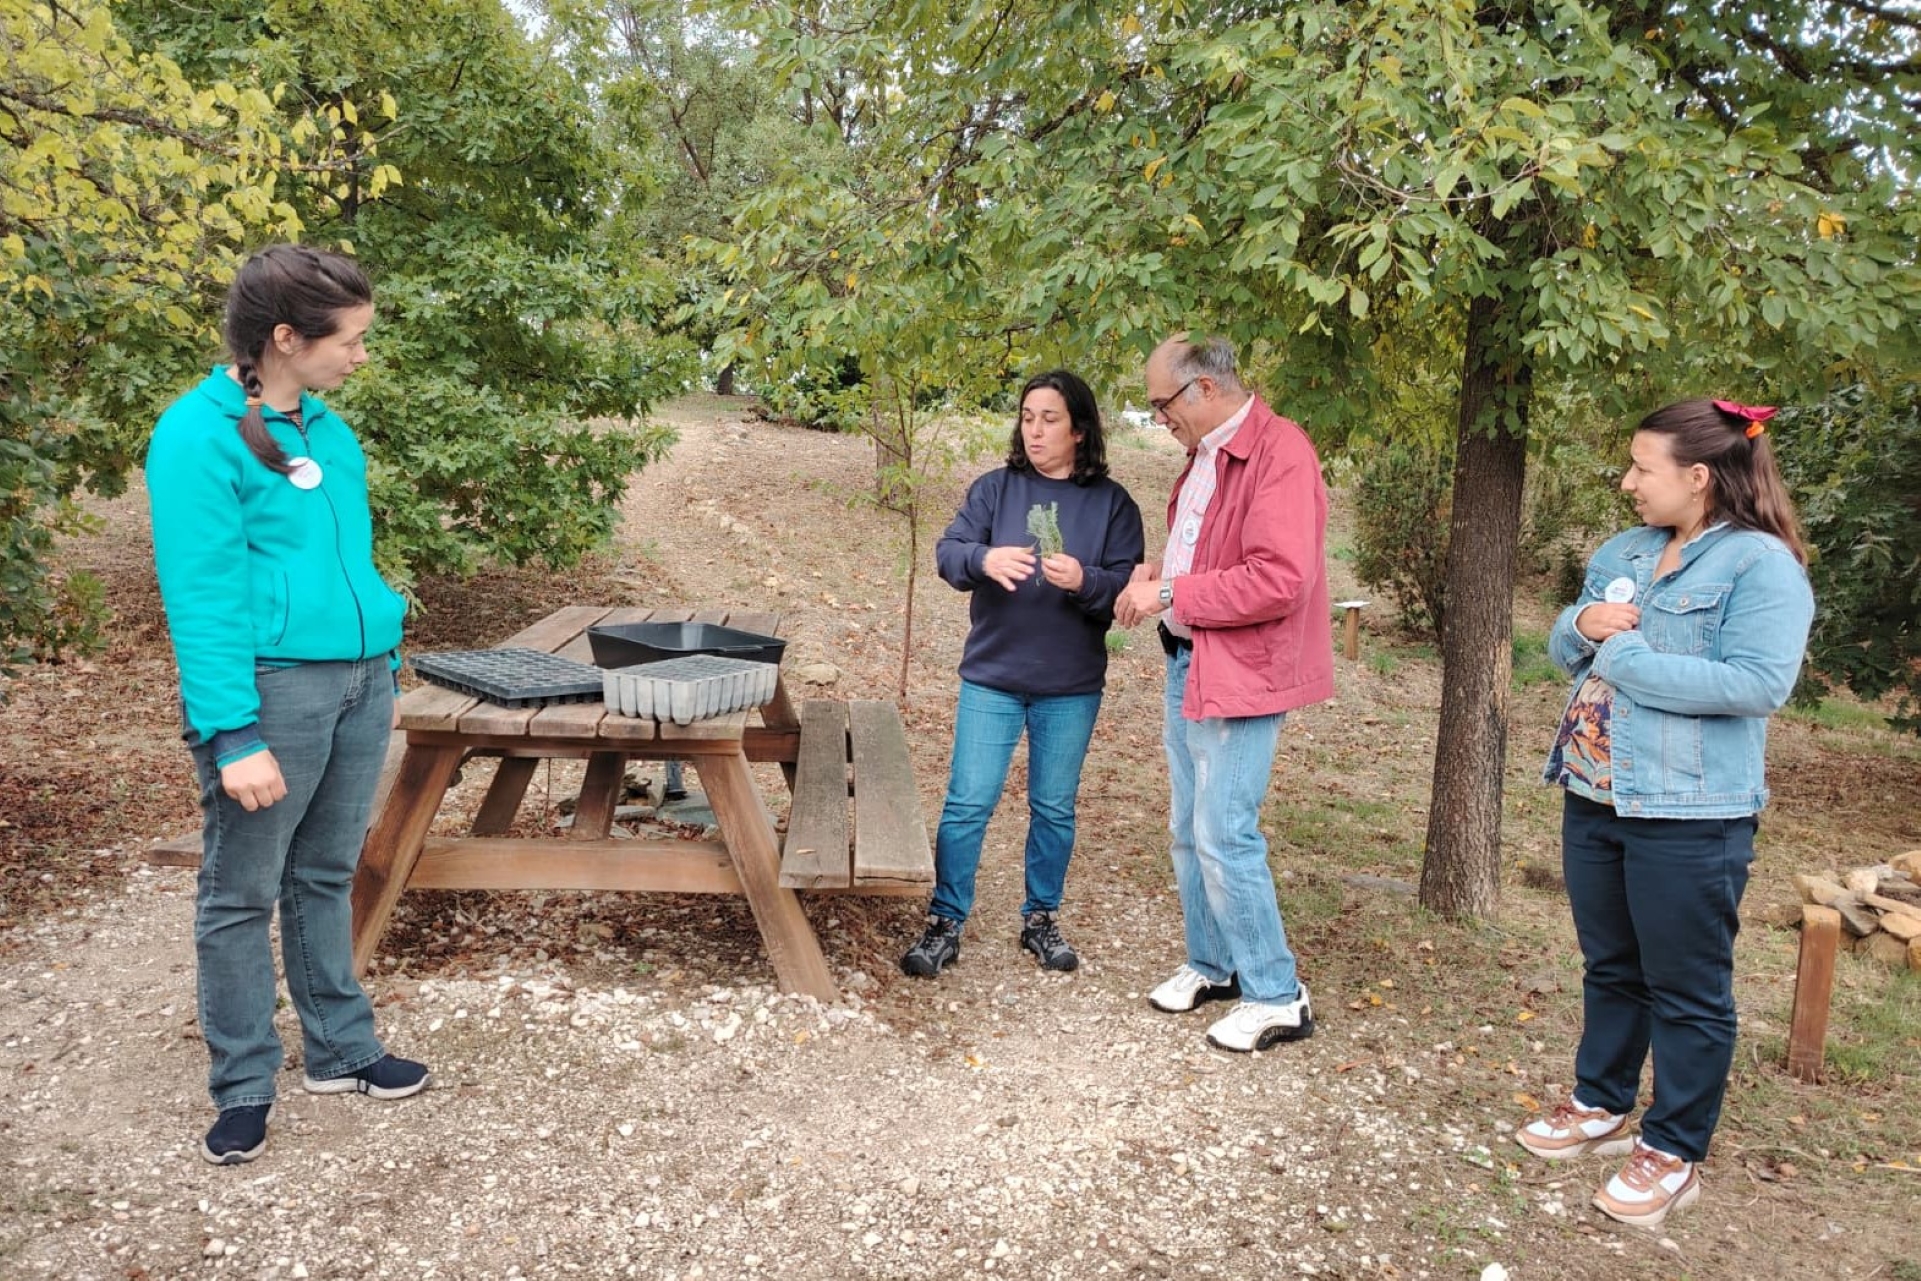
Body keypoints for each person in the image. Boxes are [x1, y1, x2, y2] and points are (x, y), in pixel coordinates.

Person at [147, 244, 431, 1166]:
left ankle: (343, 1049)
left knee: (325, 871)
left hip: (358, 682)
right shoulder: (195, 436)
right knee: (240, 892)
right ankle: (243, 1083)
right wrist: (233, 734)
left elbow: (348, 562)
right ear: (284, 337)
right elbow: (203, 599)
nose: (359, 355)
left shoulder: (329, 432)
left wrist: (383, 657)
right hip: (271, 695)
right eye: (348, 340)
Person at [1518, 398, 1815, 1228]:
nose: (1626, 483)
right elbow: (1562, 646)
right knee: (1610, 964)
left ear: (1697, 475)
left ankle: (1673, 1147)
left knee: (1685, 986)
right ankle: (1600, 1103)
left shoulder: (1760, 566)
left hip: (1692, 813)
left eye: (1640, 468)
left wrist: (1625, 654)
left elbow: (1757, 685)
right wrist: (1577, 623)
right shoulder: (1626, 549)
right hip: (1593, 791)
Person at [1113, 334, 1334, 1052]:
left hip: (1241, 671)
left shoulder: (1281, 453)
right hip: (1190, 658)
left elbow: (1277, 578)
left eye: (1161, 404)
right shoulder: (1205, 452)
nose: (1158, 418)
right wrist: (1160, 570)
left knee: (1224, 831)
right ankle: (1215, 966)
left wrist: (1170, 589)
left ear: (1203, 389)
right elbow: (1213, 552)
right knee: (1188, 829)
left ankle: (1276, 993)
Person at [900, 370, 1145, 977]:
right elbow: (948, 554)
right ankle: (945, 920)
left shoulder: (1113, 505)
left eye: (1050, 419)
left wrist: (1085, 581)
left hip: (1070, 685)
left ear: (1080, 431)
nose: (1035, 430)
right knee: (966, 804)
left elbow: (1128, 586)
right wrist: (983, 557)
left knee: (1054, 807)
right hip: (993, 677)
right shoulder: (994, 491)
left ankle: (1040, 919)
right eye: (1028, 417)